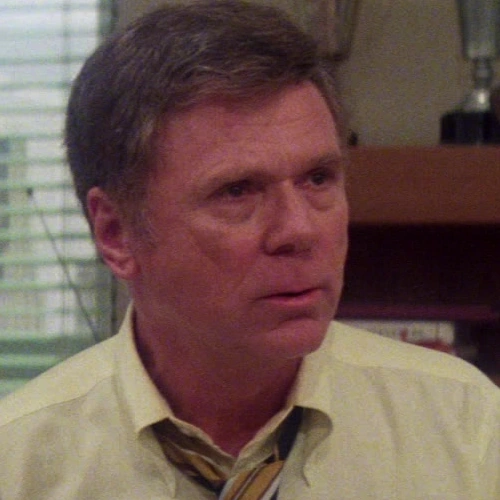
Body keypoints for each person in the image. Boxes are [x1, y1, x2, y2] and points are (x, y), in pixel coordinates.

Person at [0, 1, 499, 498]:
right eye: (237, 191)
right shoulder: (19, 463)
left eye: (318, 179)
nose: (300, 230)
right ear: (116, 233)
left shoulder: (465, 425)